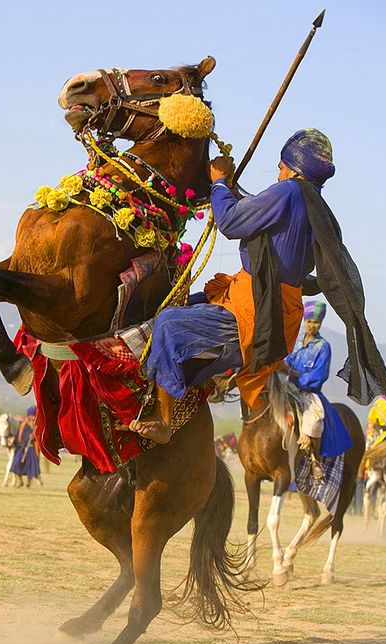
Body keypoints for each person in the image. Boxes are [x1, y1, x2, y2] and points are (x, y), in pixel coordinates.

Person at [130, 129, 334, 443]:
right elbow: (256, 212)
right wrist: (232, 188)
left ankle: (164, 419)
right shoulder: (313, 204)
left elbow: (231, 223)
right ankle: (183, 385)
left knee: (169, 324)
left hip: (257, 309)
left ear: (294, 168)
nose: (278, 173)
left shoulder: (290, 192)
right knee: (188, 303)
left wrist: (220, 182)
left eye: (281, 167)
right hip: (267, 306)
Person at [282, 300, 351, 478]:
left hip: (309, 392)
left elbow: (318, 376)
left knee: (313, 421)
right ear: (304, 321)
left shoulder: (323, 347)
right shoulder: (296, 342)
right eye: (309, 321)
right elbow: (287, 362)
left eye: (316, 322)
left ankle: (315, 461)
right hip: (288, 387)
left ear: (320, 324)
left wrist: (294, 374)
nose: (312, 325)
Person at [9, 406, 43, 488]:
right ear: (28, 415)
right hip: (22, 448)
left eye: (34, 415)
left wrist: (34, 437)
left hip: (32, 449)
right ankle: (20, 482)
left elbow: (40, 436)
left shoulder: (38, 425)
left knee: (30, 466)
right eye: (31, 415)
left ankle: (28, 483)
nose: (33, 417)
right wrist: (14, 444)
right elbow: (18, 435)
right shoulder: (23, 424)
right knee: (16, 464)